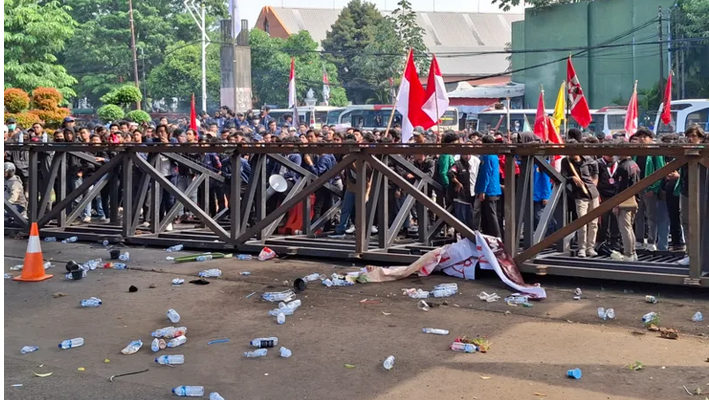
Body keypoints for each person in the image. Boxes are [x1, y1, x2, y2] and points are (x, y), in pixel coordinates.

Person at [560, 141, 600, 257]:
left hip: (592, 193)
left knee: (593, 223)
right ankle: (581, 247)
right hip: (579, 195)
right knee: (582, 222)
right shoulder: (566, 161)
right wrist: (572, 178)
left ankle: (590, 247)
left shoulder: (588, 159)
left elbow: (595, 168)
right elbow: (562, 175)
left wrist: (595, 181)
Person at [632, 127, 666, 251]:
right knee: (638, 215)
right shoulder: (635, 153)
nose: (642, 139)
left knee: (651, 216)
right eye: (640, 137)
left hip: (650, 188)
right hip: (637, 188)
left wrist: (654, 188)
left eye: (644, 137)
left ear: (651, 139)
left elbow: (661, 171)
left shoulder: (655, 153)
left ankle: (652, 241)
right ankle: (639, 240)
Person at [677, 124, 705, 265]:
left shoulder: (704, 152)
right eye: (688, 136)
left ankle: (701, 254)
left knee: (701, 223)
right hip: (686, 191)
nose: (690, 139)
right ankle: (690, 253)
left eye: (693, 136)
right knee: (686, 222)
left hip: (702, 192)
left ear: (700, 138)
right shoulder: (685, 152)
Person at [613, 148, 641, 261]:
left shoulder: (623, 167)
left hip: (624, 201)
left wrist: (616, 204)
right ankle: (633, 252)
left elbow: (621, 187)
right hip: (634, 199)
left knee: (624, 228)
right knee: (629, 228)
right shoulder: (634, 164)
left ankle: (628, 254)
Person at [475, 135, 502, 237]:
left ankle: (496, 236)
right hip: (493, 189)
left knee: (491, 215)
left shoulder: (487, 156)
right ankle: (492, 235)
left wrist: (482, 190)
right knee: (489, 214)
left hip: (489, 190)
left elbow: (485, 174)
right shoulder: (493, 155)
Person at [596, 154, 622, 250]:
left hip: (615, 195)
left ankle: (615, 242)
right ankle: (601, 241)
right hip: (603, 195)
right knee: (603, 220)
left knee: (615, 220)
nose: (610, 156)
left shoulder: (618, 164)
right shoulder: (598, 164)